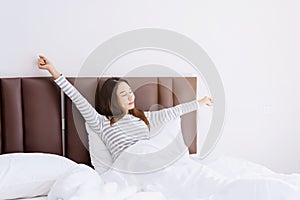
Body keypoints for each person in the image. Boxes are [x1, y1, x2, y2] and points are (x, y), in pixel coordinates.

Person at [37, 55, 213, 161]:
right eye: (124, 94)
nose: (131, 97)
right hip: (128, 164)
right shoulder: (100, 122)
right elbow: (76, 97)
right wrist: (52, 71)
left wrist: (201, 102)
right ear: (111, 101)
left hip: (150, 158)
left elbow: (174, 111)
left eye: (130, 92)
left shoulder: (144, 117)